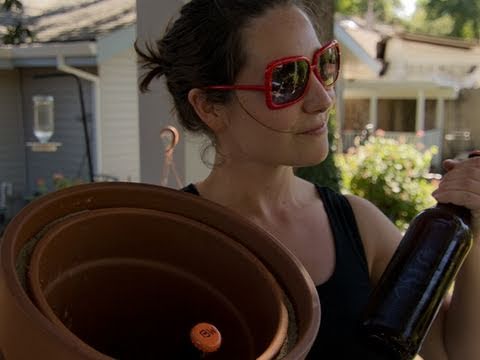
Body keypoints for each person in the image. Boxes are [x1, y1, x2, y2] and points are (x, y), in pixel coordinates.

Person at [135, 0, 480, 358]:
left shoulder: (359, 227)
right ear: (209, 107)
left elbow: (459, 351)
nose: (323, 97)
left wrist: (476, 233)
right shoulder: (166, 247)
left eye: (324, 65)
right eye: (287, 79)